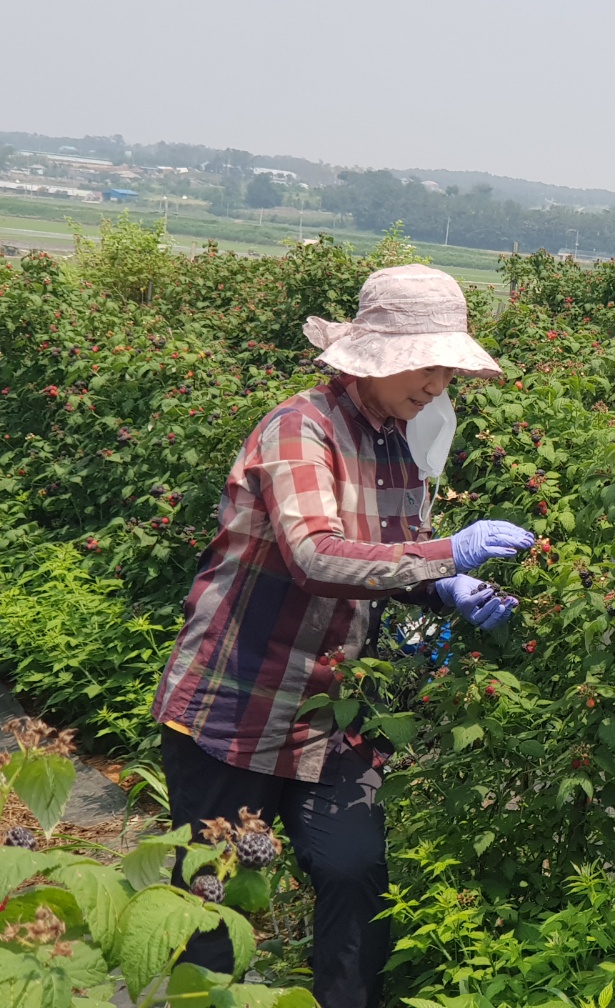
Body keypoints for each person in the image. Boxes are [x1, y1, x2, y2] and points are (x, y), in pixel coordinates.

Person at [152, 264, 535, 1008]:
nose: (437, 385)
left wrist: (445, 584)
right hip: (237, 706)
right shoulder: (301, 428)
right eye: (428, 365)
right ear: (380, 357)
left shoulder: (400, 440)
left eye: (449, 370)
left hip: (335, 713)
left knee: (355, 873)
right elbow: (315, 554)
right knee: (213, 895)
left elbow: (396, 550)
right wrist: (447, 552)